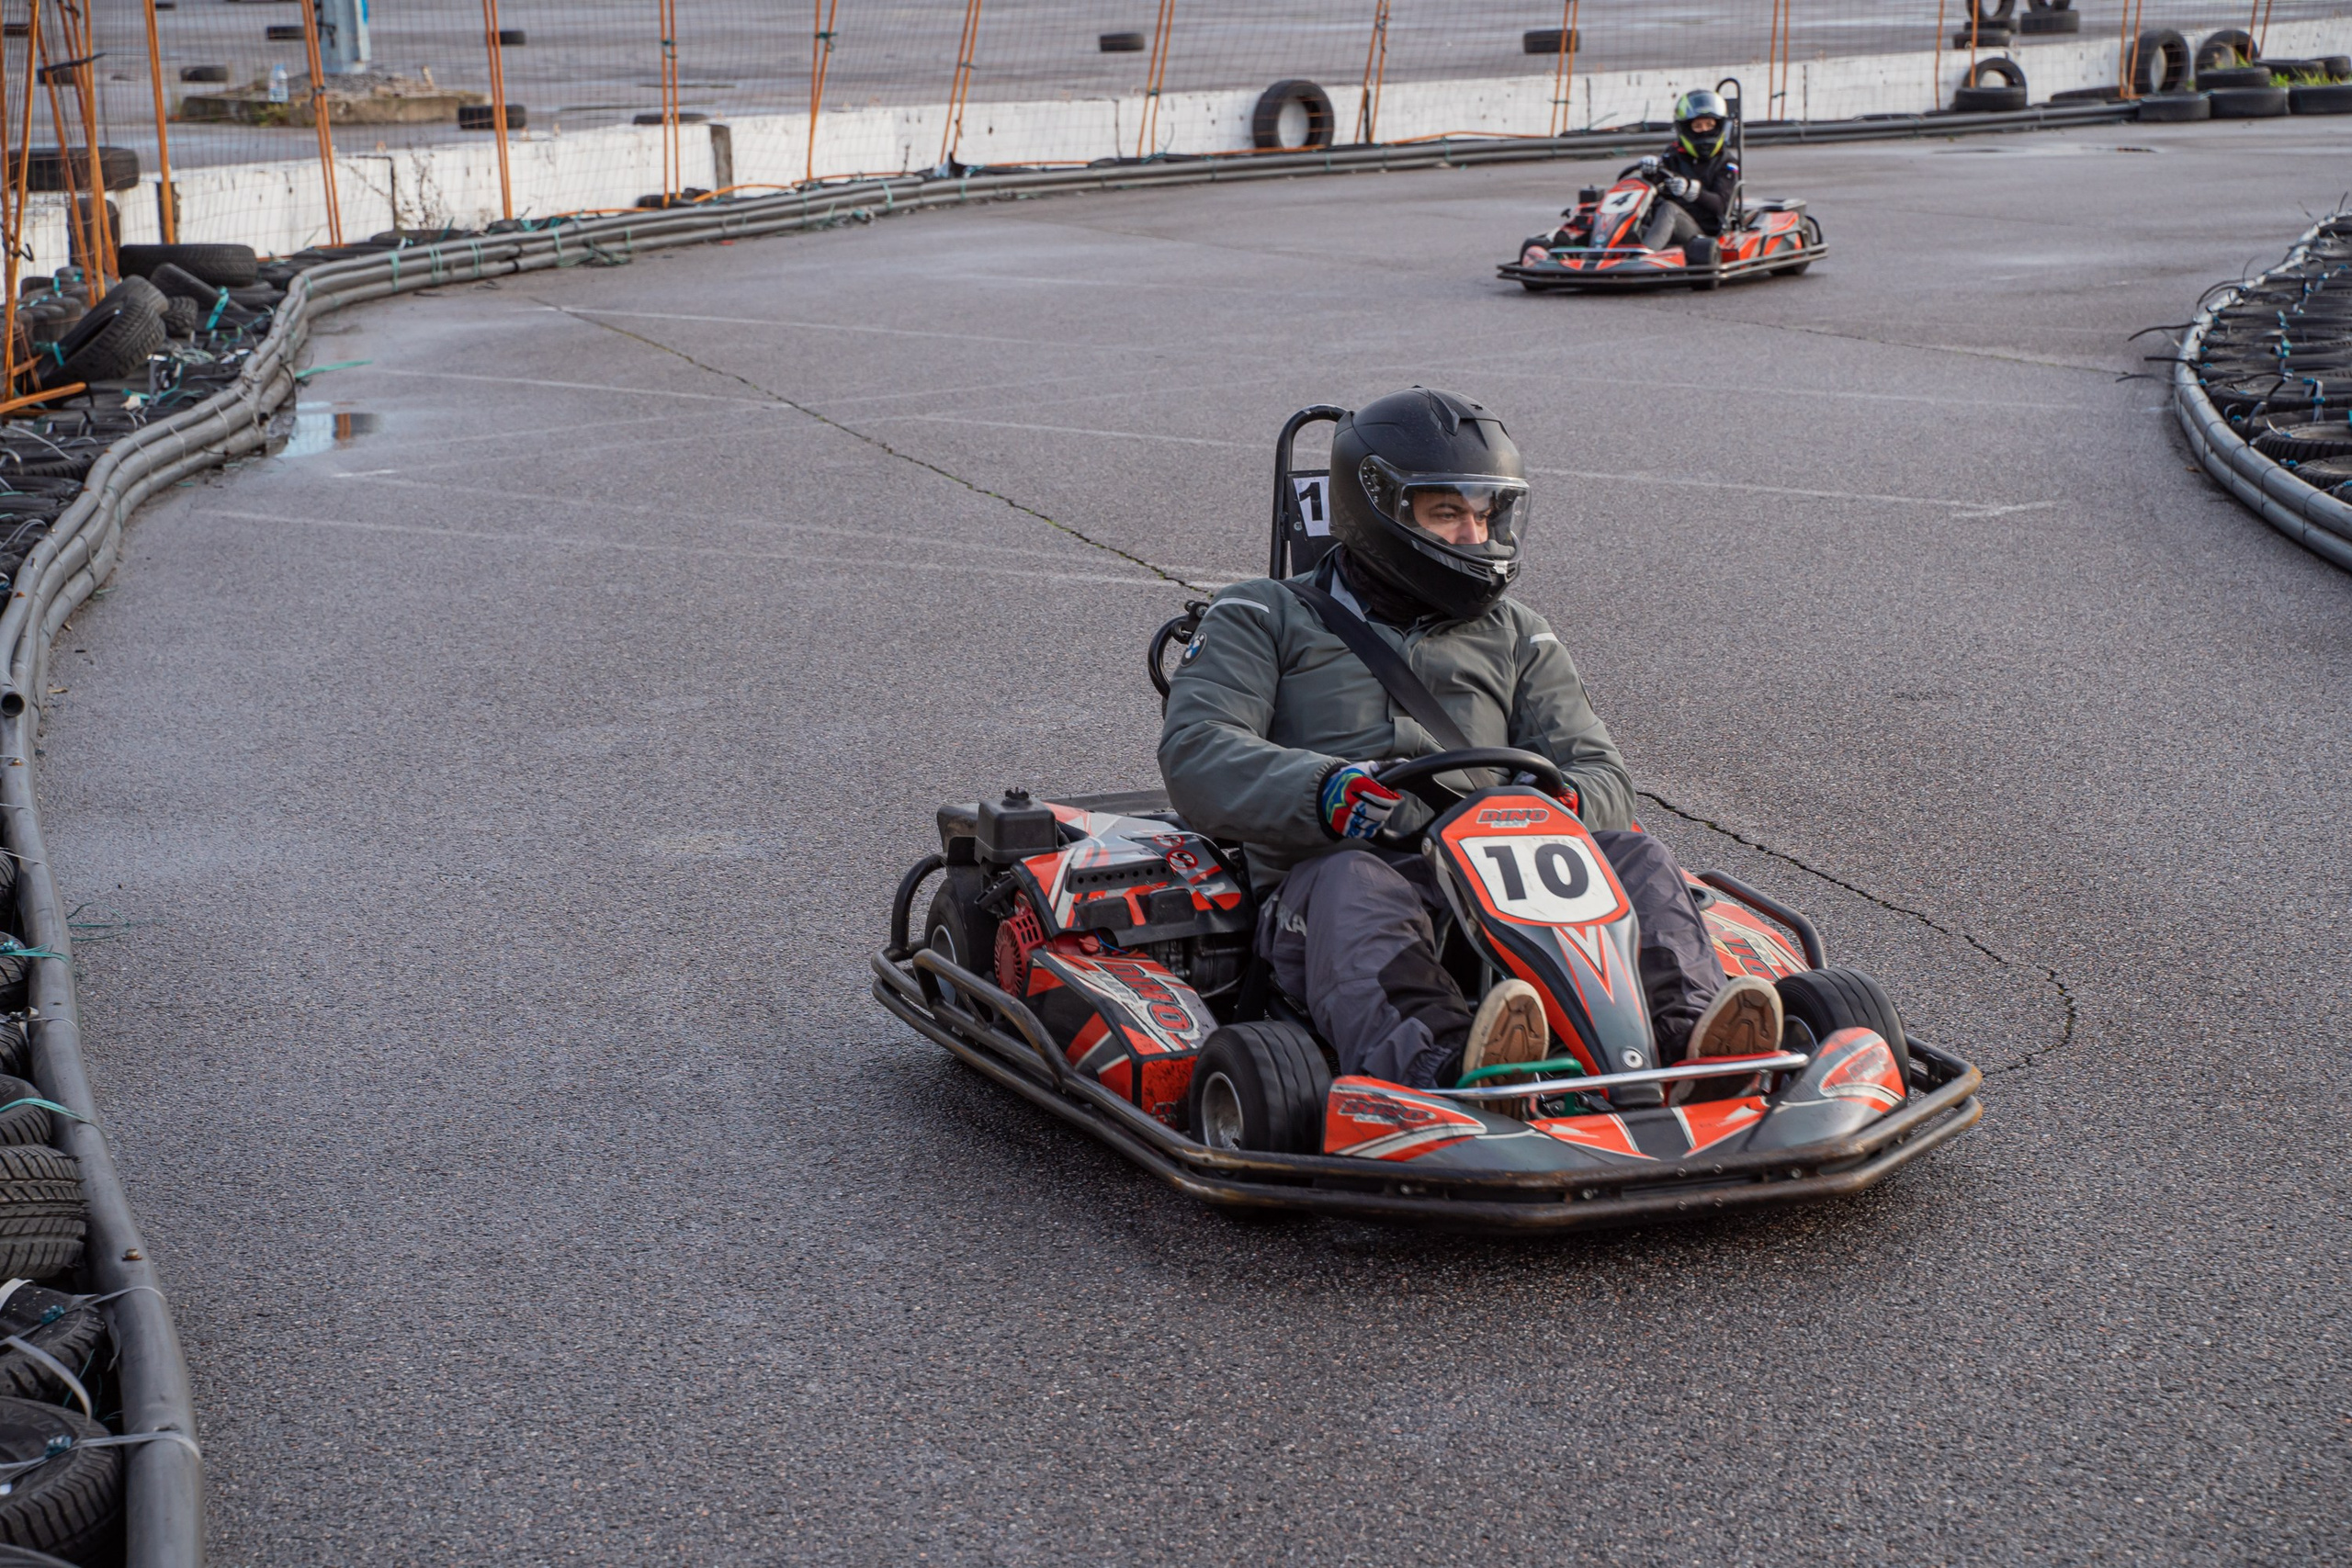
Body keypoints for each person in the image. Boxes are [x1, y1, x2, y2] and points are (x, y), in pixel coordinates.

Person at [1158, 387, 1783, 1093]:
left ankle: (1696, 1044)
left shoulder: (1518, 632)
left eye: (1485, 514)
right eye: (1447, 512)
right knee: (1354, 884)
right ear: (1379, 511)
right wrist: (1323, 790)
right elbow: (1198, 750)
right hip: (1333, 887)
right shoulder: (1261, 613)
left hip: (1502, 886)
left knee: (1634, 852)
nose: (1473, 536)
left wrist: (1562, 801)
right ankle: (1453, 1074)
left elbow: (1599, 768)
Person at [1520, 88, 1739, 265]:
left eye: (1709, 126)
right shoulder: (1673, 155)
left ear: (1719, 127)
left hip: (1703, 230)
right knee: (1632, 203)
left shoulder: (1727, 164)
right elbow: (1658, 186)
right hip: (1663, 226)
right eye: (1697, 126)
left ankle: (1644, 254)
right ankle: (1572, 246)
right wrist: (1650, 172)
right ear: (1685, 129)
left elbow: (1721, 205)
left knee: (1669, 208)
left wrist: (1694, 190)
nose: (1703, 131)